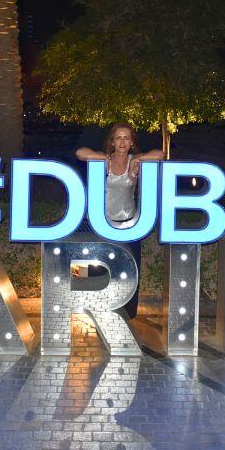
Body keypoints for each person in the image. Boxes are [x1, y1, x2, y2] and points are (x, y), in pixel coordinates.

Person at [75, 123, 163, 318]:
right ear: (112, 142)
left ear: (131, 142)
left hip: (127, 225)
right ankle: (88, 308)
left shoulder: (136, 162)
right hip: (99, 223)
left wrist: (139, 158)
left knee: (130, 270)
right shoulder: (103, 160)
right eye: (118, 138)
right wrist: (99, 157)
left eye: (126, 138)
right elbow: (80, 152)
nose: (122, 141)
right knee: (92, 267)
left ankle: (127, 313)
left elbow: (160, 154)